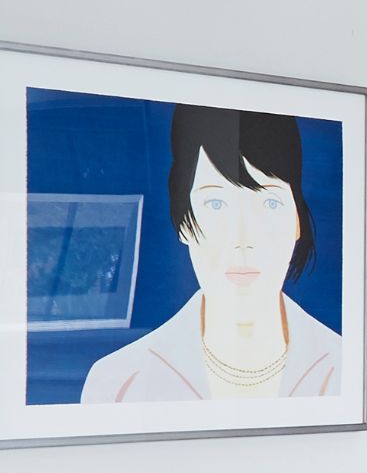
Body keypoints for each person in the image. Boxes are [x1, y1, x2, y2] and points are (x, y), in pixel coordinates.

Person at [80, 106, 340, 402]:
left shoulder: (348, 370)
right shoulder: (119, 384)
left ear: (296, 222)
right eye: (216, 204)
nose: (243, 239)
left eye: (270, 203)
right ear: (183, 223)